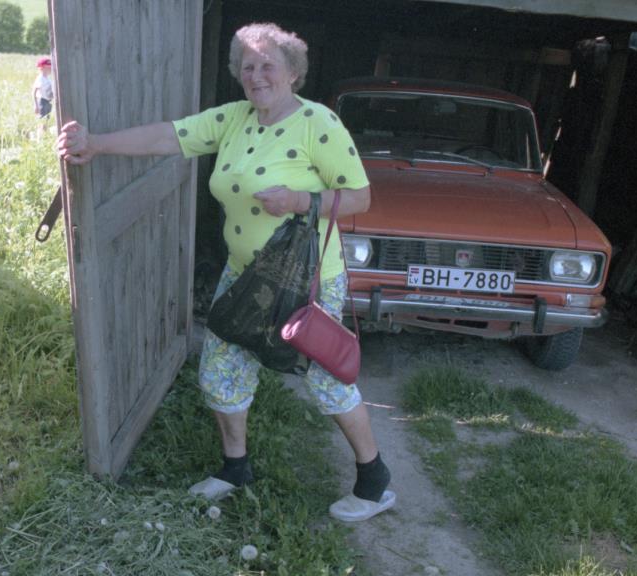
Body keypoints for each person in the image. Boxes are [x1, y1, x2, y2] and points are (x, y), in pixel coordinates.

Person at [58, 22, 395, 522]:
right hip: (244, 276)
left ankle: (374, 481)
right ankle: (235, 469)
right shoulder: (234, 119)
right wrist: (97, 143)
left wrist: (299, 200)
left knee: (327, 381)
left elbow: (360, 198)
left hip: (305, 282)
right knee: (220, 371)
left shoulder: (317, 123)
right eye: (247, 67)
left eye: (268, 66)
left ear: (293, 72)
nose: (256, 76)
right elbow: (169, 136)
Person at [32, 56, 53, 120]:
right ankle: (40, 127)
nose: (50, 69)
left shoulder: (48, 79)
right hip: (42, 101)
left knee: (47, 119)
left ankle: (45, 126)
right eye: (48, 68)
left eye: (51, 67)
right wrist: (36, 105)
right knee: (42, 118)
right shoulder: (40, 79)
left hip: (48, 101)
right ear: (42, 68)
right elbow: (34, 92)